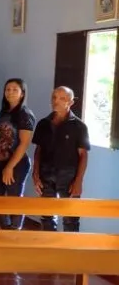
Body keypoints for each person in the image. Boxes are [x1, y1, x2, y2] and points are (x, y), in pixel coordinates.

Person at [33, 86, 90, 232]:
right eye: (54, 97)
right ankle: (50, 248)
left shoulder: (79, 126)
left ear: (70, 102)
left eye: (62, 98)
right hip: (46, 173)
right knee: (47, 215)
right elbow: (38, 150)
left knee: (70, 216)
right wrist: (35, 173)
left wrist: (78, 181)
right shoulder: (43, 124)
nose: (56, 101)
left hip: (68, 176)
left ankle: (69, 252)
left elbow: (83, 155)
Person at [0, 78, 36, 230]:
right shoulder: (3, 112)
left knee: (15, 199)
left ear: (22, 94)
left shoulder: (25, 114)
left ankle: (16, 230)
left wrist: (9, 167)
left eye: (15, 89)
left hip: (16, 163)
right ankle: (6, 227)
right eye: (7, 89)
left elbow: (24, 143)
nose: (10, 92)